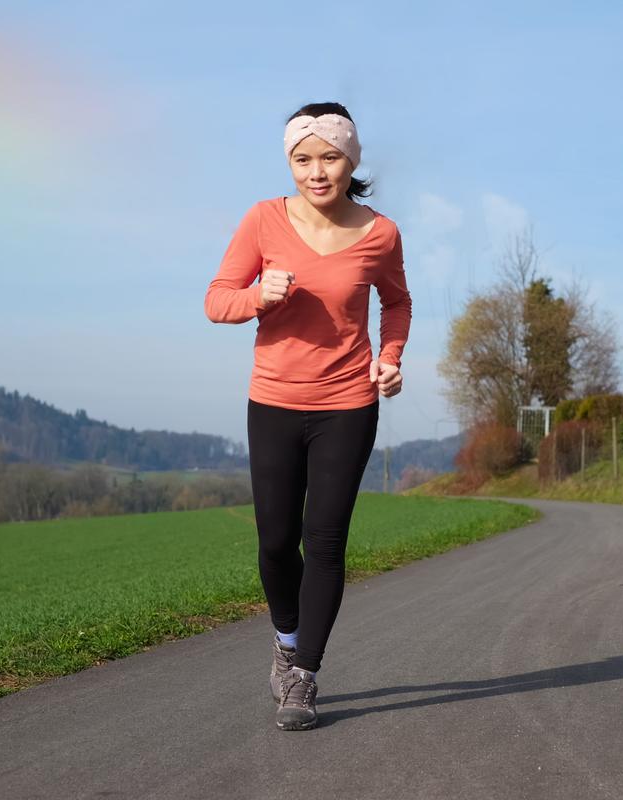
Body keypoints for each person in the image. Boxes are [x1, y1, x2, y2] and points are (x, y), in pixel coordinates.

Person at [204, 102, 412, 731]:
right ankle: (286, 637)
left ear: (352, 160)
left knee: (323, 541)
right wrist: (256, 297)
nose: (316, 172)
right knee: (274, 541)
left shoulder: (381, 233)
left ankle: (304, 676)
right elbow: (216, 301)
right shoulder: (263, 220)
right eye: (303, 159)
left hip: (347, 403)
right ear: (289, 162)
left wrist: (391, 357)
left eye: (329, 158)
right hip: (272, 401)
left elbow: (397, 304)